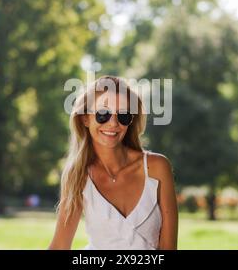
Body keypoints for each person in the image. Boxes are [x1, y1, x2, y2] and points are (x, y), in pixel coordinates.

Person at [48, 75, 178, 250]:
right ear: (85, 118)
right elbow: (59, 247)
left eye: (123, 115)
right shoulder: (77, 175)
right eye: (103, 114)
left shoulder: (157, 167)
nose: (113, 123)